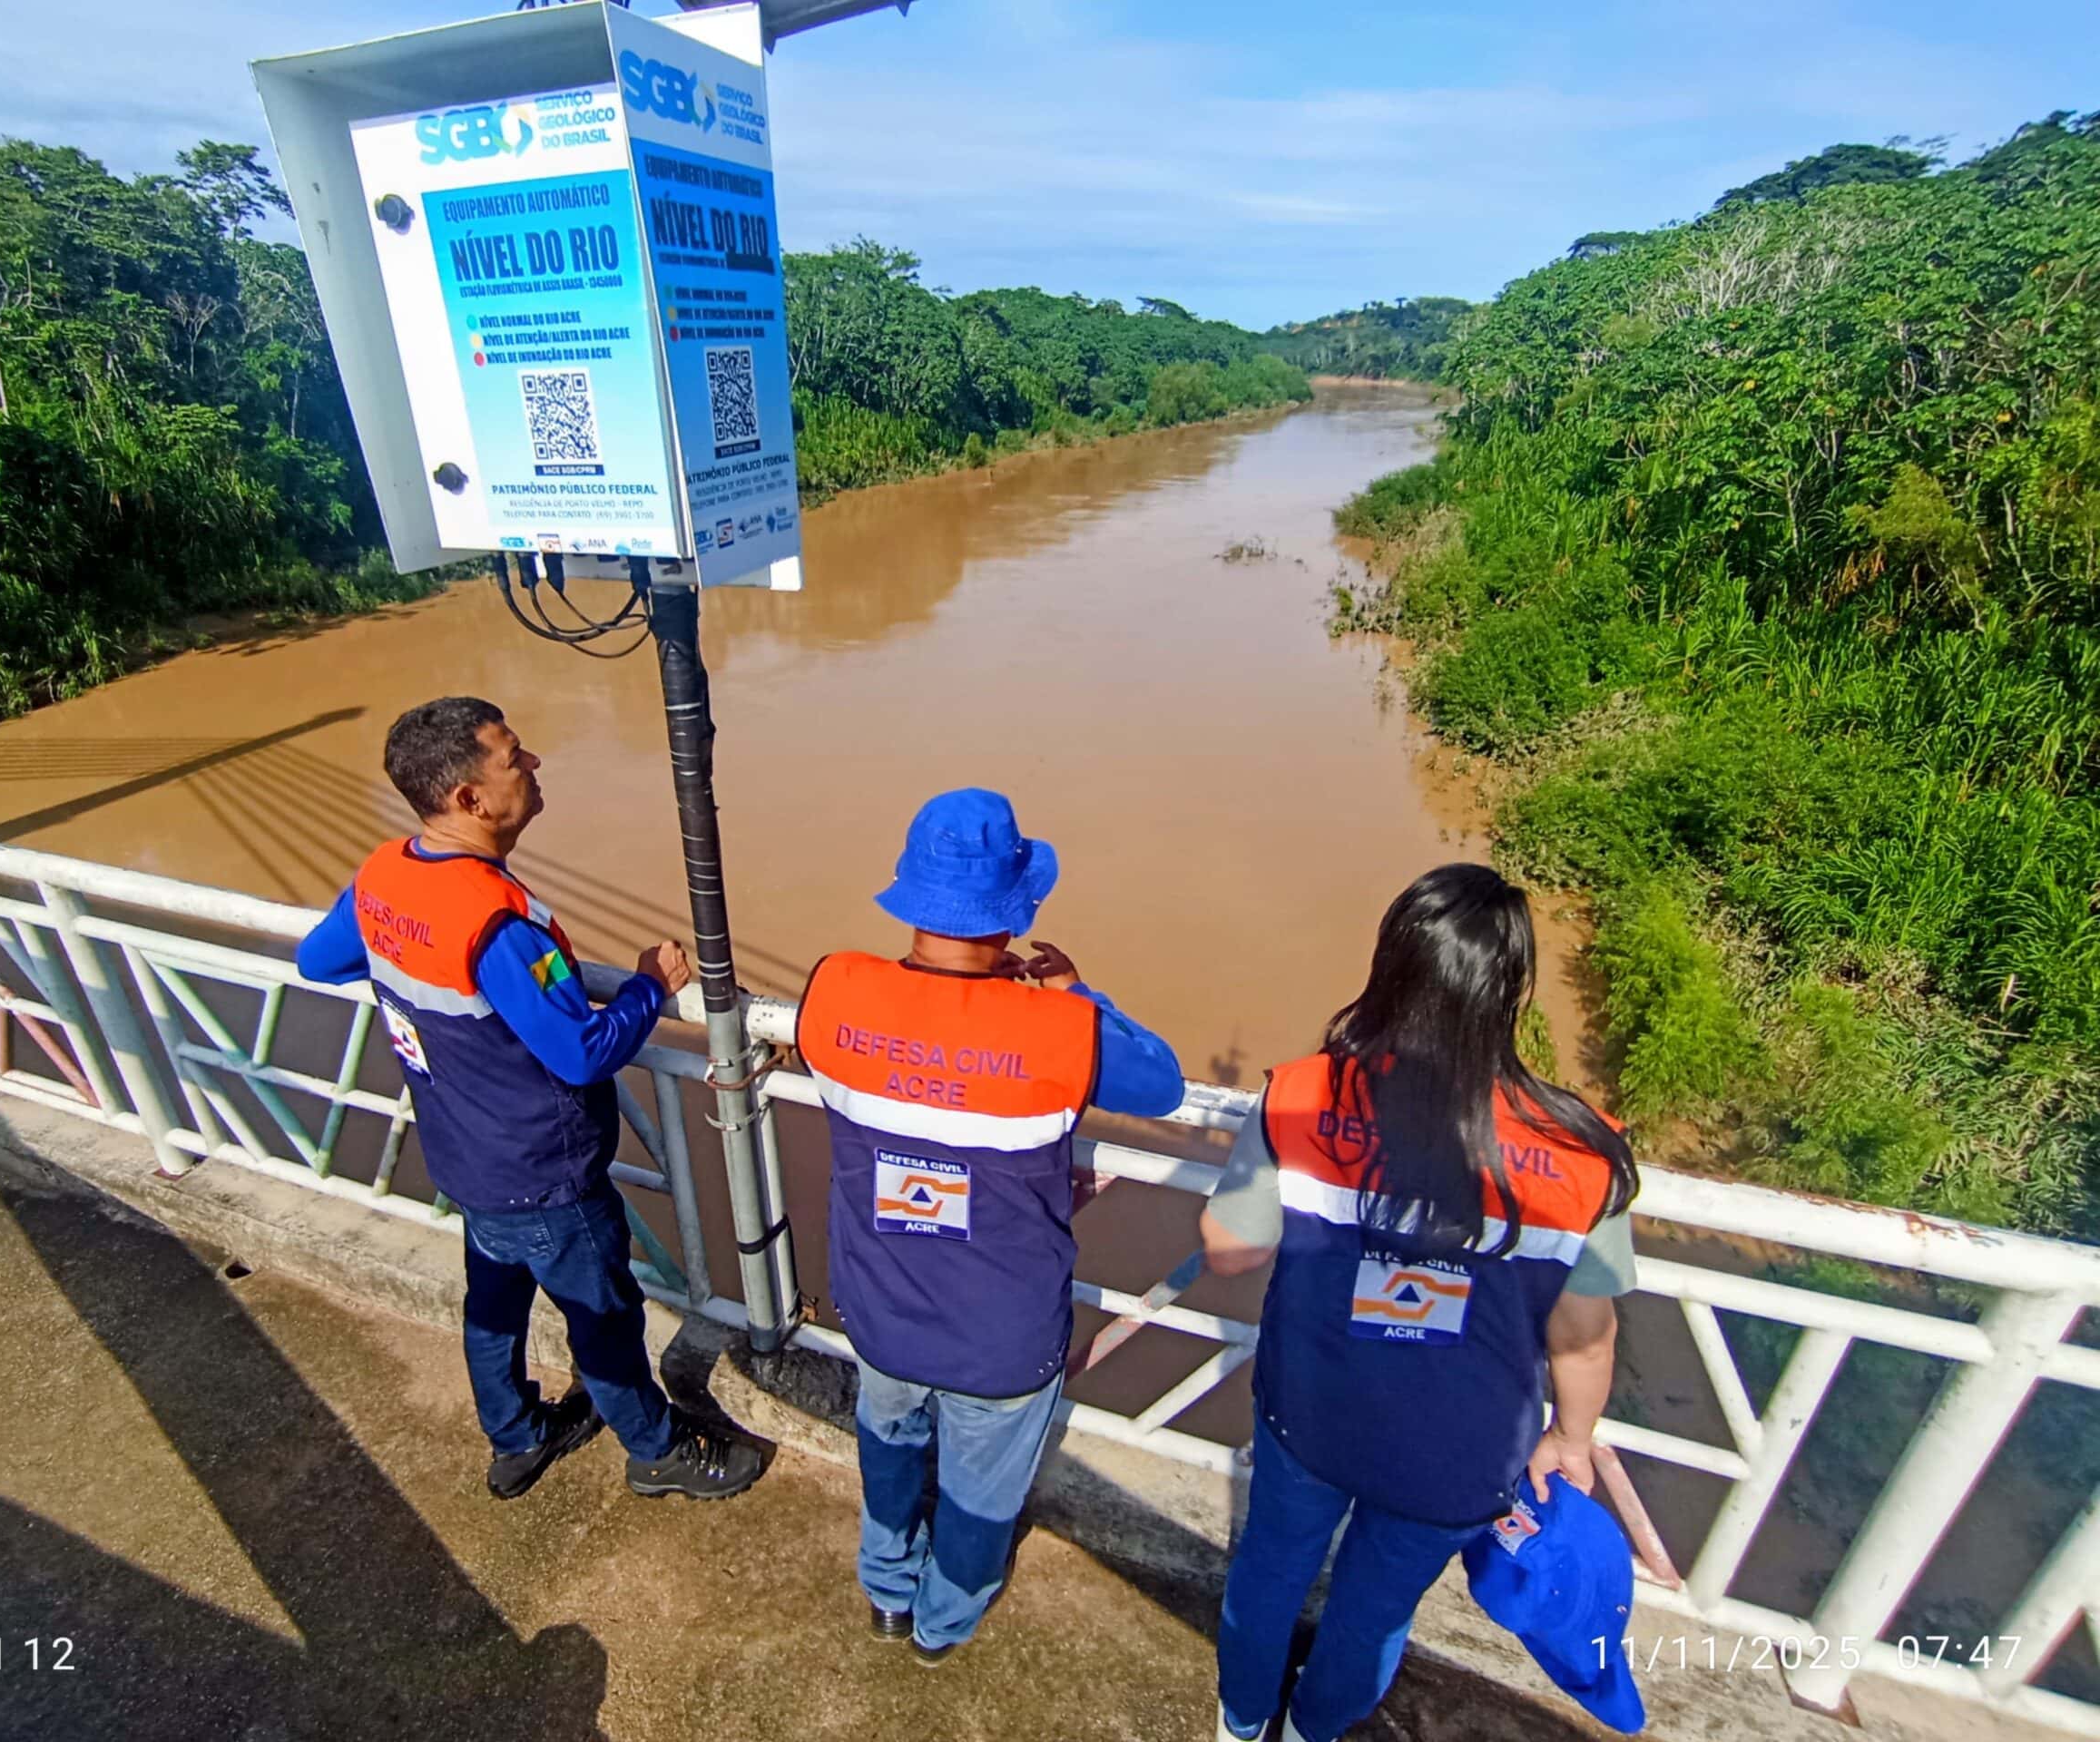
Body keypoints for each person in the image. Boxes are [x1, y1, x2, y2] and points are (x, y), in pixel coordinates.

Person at [1200, 863, 1639, 1742]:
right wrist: (1571, 1438)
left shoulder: (1302, 1096)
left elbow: (1230, 1250)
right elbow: (1584, 1337)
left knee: (1271, 1572)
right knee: (1375, 1613)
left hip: (1312, 1414)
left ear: (1389, 968)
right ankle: (1315, 1729)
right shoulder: (1583, 1154)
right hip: (1462, 1455)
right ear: (1513, 990)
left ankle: (1241, 1723)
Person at [297, 696, 764, 1505]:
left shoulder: (384, 874)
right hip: (542, 1172)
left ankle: (516, 1438)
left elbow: (319, 961)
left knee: (494, 1306)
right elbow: (582, 1052)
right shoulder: (495, 924)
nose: (535, 764)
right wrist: (649, 987)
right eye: (514, 757)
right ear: (470, 798)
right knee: (603, 1320)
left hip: (463, 1156)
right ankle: (656, 1451)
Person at [794, 788, 1186, 1665]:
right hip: (1002, 1334)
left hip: (878, 1307)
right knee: (980, 1497)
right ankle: (942, 1624)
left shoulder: (835, 988)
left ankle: (886, 1590)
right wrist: (1074, 989)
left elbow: (862, 1037)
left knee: (887, 1450)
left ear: (910, 893)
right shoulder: (1062, 1028)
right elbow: (1162, 1083)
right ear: (1014, 912)